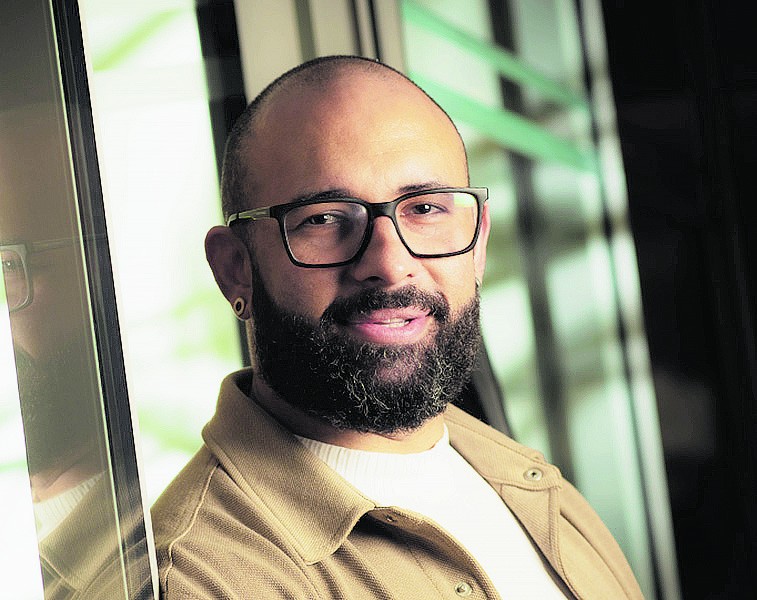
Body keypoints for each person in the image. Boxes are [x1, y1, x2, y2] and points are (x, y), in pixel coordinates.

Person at [151, 55, 643, 599]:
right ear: (235, 269)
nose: (389, 263)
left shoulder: (533, 487)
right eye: (324, 218)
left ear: (478, 243)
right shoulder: (202, 580)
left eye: (426, 209)